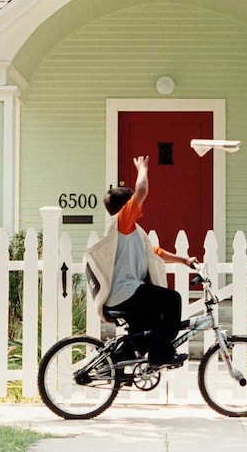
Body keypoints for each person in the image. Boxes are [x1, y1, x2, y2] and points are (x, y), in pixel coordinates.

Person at [83, 155, 196, 369]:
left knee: (148, 328)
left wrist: (184, 260)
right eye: (133, 203)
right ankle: (160, 353)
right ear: (126, 206)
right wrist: (142, 168)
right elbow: (141, 191)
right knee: (172, 300)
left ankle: (119, 363)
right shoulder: (122, 222)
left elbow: (155, 252)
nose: (140, 205)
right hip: (126, 292)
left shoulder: (133, 232)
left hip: (127, 294)